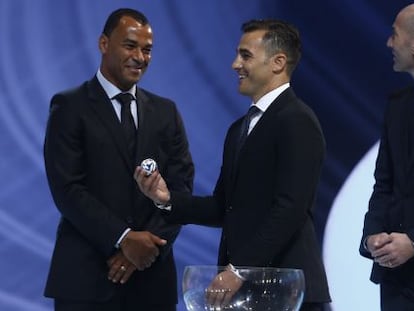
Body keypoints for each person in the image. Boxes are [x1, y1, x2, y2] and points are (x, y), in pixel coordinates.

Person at [135, 19, 331, 311]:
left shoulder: (297, 121)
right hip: (245, 292)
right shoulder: (239, 129)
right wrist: (166, 200)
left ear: (278, 62)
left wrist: (238, 269)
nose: (235, 64)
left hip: (286, 291)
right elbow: (223, 206)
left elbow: (290, 208)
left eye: (245, 55)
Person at [43, 8, 194, 311]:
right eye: (130, 45)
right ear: (103, 43)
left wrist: (145, 249)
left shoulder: (166, 112)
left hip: (153, 282)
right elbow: (67, 189)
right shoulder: (69, 106)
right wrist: (123, 238)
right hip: (87, 280)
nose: (140, 56)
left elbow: (180, 189)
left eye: (147, 49)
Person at [360, 4, 414, 310]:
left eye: (394, 34)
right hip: (397, 278)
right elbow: (384, 184)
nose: (389, 43)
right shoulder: (397, 105)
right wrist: (372, 236)